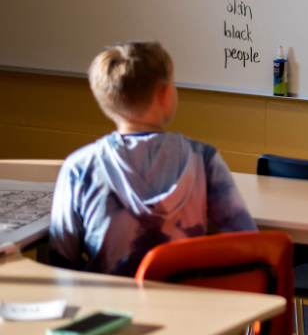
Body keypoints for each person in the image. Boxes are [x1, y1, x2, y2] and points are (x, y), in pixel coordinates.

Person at [49, 42, 256, 276]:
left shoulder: (78, 167)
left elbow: (62, 263)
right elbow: (248, 242)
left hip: (109, 309)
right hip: (186, 309)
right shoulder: (203, 160)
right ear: (165, 94)